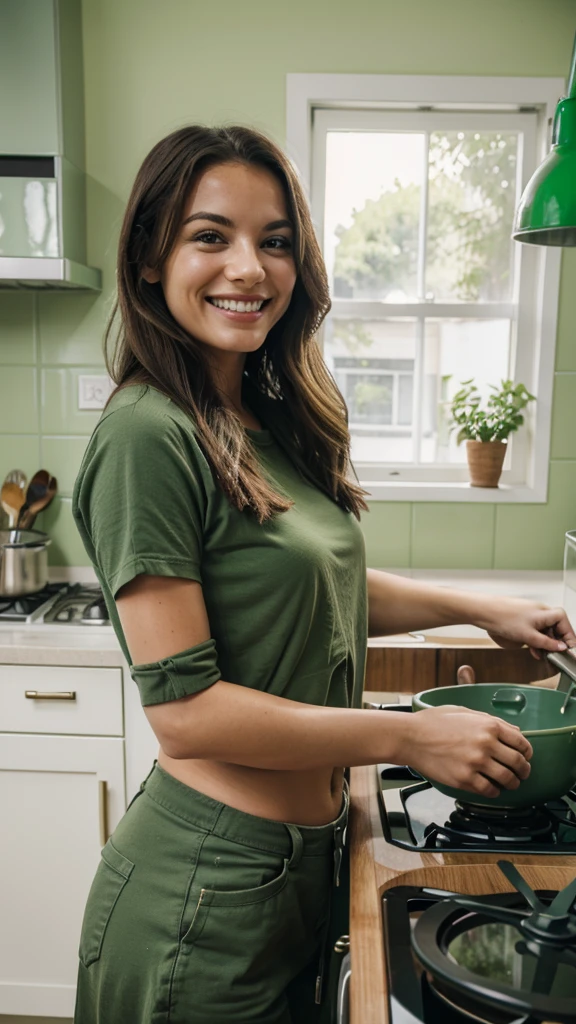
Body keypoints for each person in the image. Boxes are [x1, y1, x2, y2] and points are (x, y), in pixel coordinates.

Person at [72, 124, 575, 1024]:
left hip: (294, 865)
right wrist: (410, 738)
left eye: (275, 242)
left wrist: (483, 612)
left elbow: (322, 592)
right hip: (204, 890)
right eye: (209, 235)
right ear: (151, 256)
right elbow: (184, 715)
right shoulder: (149, 435)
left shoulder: (260, 417)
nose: (249, 269)